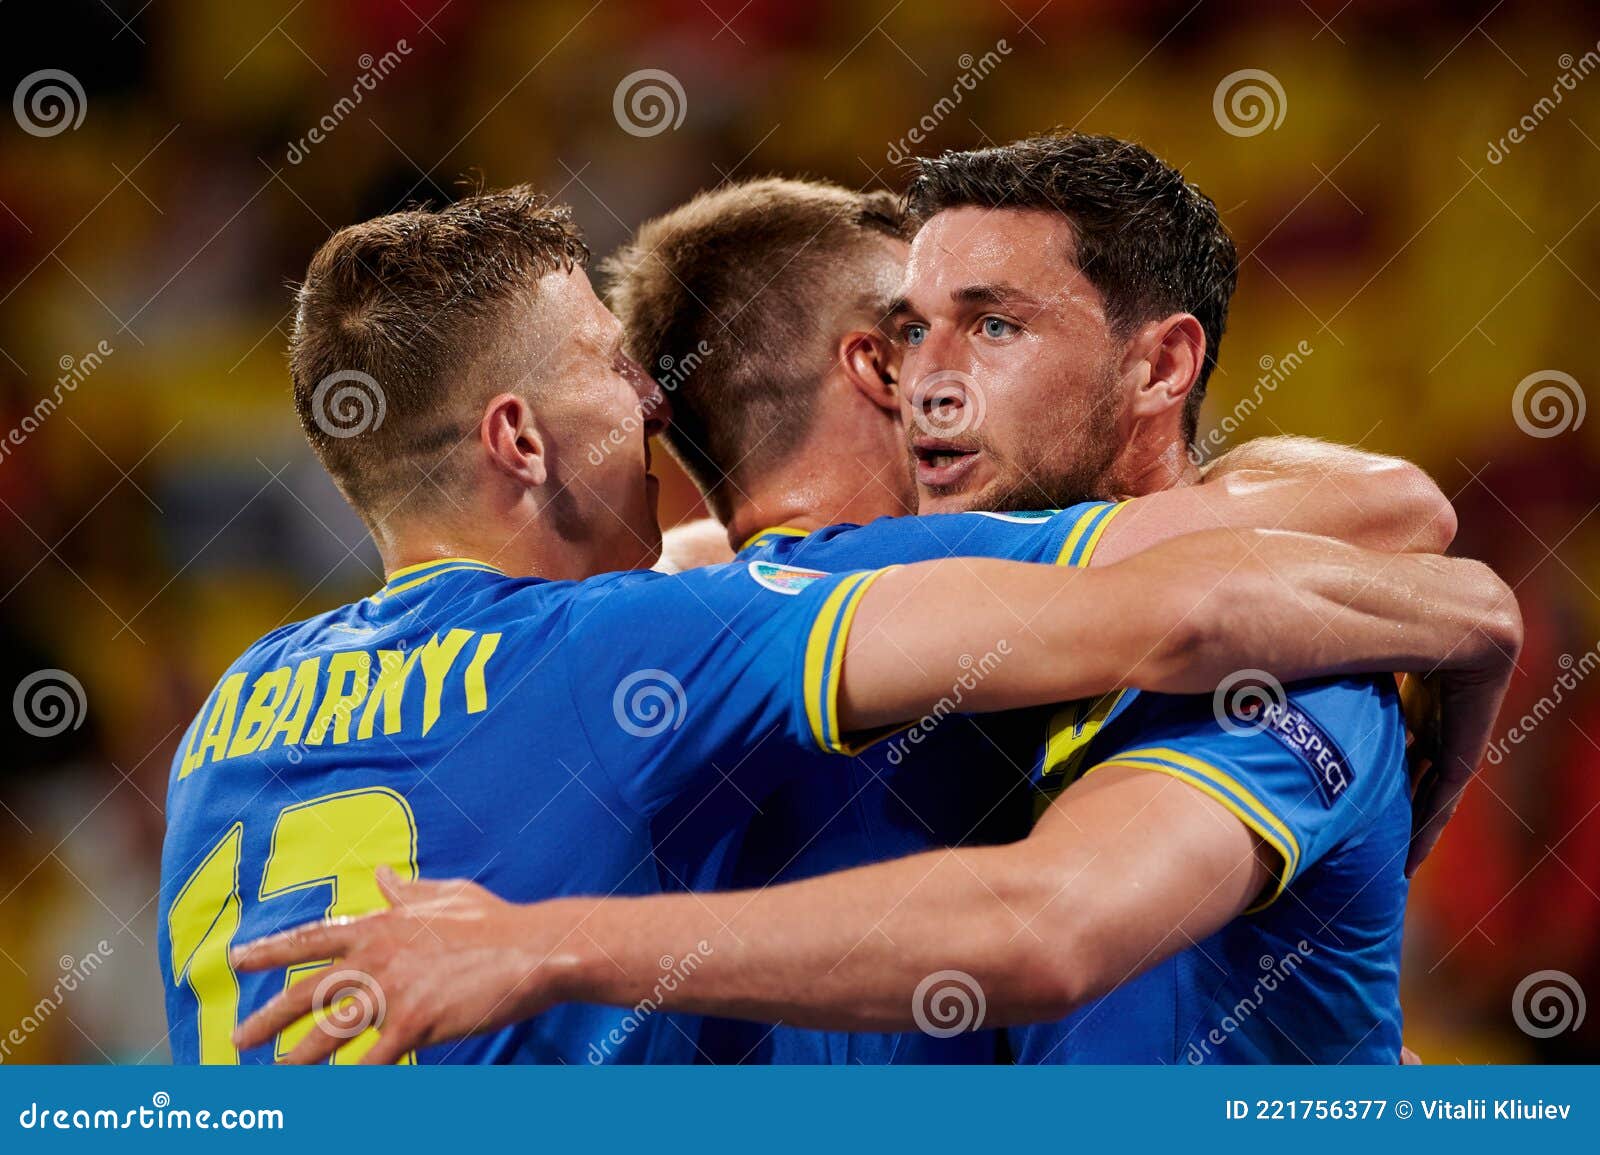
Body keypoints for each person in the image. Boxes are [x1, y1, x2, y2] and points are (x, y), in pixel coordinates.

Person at [228, 140, 1522, 1064]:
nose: (934, 384)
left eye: (988, 328)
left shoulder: (643, 633)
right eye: (912, 334)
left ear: (1159, 364)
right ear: (868, 364)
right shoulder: (754, 618)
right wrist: (1466, 616)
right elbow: (1335, 539)